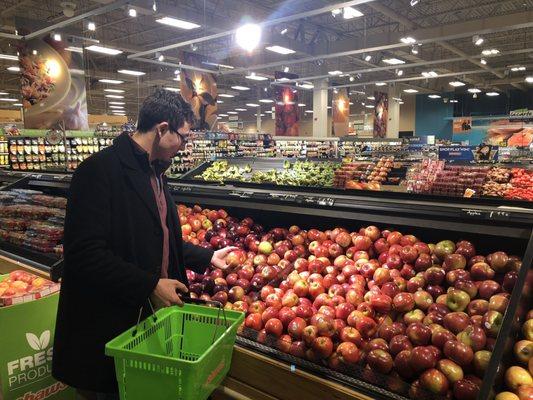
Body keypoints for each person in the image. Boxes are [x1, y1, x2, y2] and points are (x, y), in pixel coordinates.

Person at [53, 89, 235, 400]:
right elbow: (84, 255)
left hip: (143, 325)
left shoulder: (155, 172)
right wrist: (150, 283)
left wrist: (206, 256)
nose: (184, 146)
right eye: (183, 137)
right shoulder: (98, 171)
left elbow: (157, 235)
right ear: (162, 130)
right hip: (106, 329)